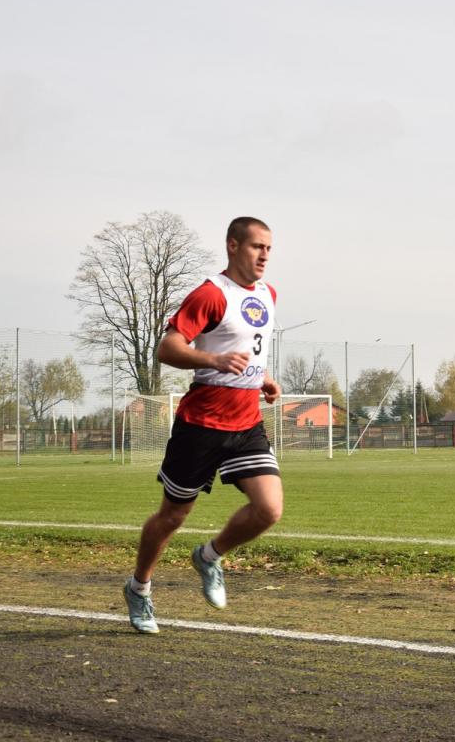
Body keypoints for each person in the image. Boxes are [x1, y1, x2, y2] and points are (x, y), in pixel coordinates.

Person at [123, 216, 282, 634]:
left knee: (269, 509)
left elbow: (246, 349)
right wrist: (213, 360)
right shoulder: (211, 294)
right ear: (233, 246)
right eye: (257, 246)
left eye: (269, 248)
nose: (264, 255)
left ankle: (209, 557)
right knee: (173, 516)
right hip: (201, 423)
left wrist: (262, 378)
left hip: (246, 422)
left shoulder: (268, 294)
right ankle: (139, 588)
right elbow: (168, 347)